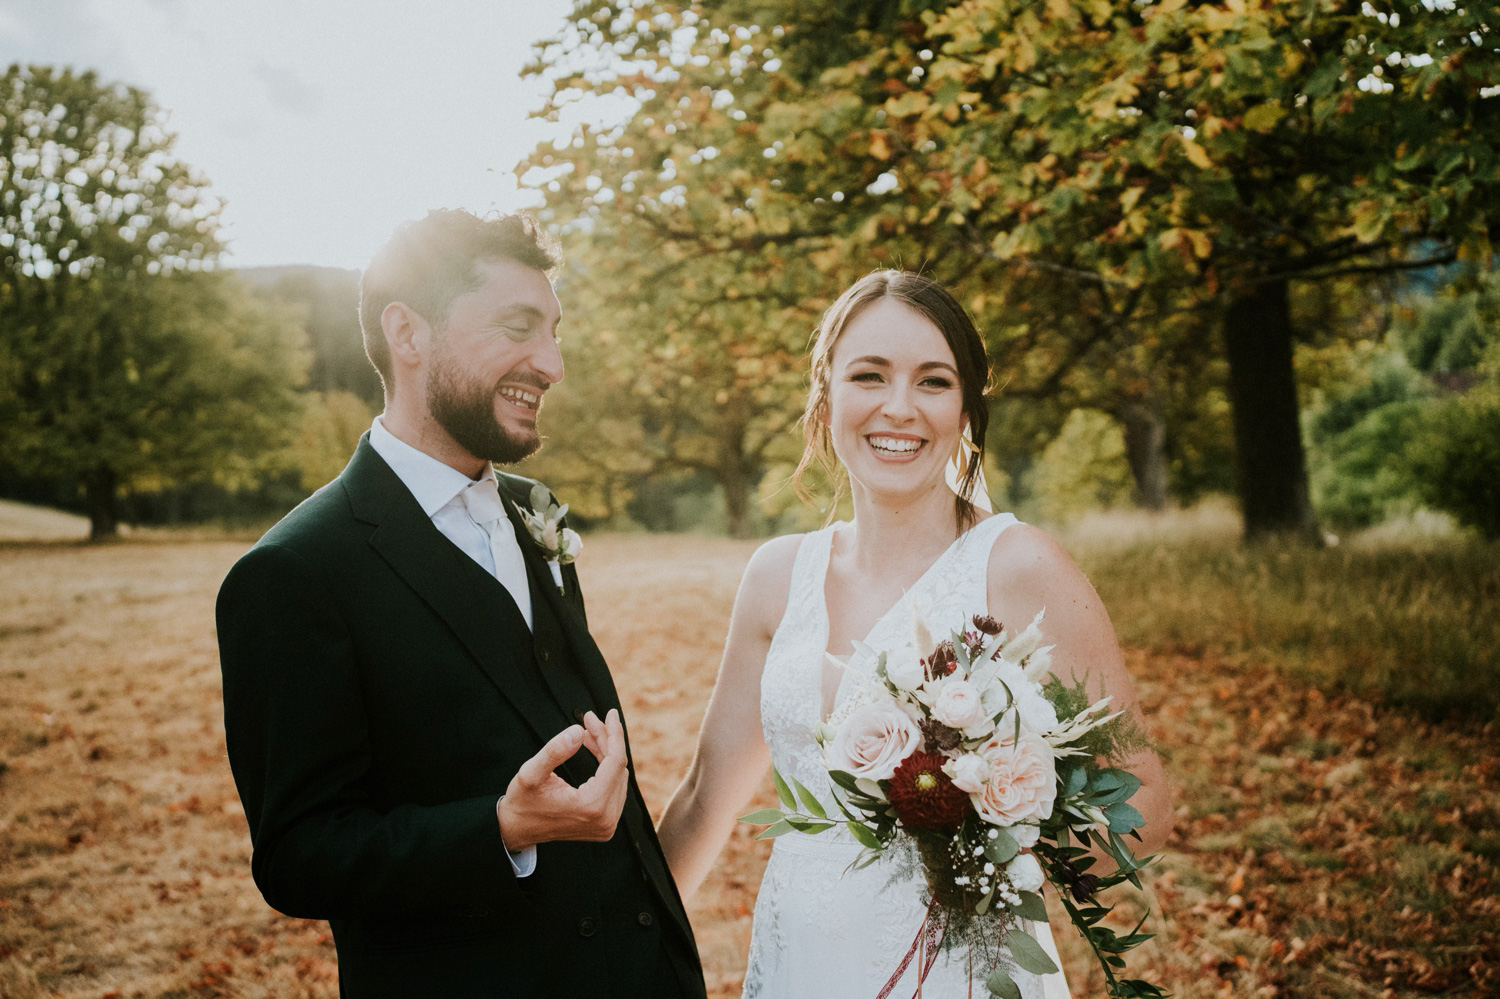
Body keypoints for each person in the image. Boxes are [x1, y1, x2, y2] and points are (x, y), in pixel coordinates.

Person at [216, 210, 706, 999]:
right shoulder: (295, 572)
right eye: (519, 327)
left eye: (555, 331)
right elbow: (298, 856)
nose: (550, 362)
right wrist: (501, 828)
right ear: (408, 334)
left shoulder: (534, 507)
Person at [656, 270, 1174, 998]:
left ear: (965, 407)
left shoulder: (1020, 565)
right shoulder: (777, 575)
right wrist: (612, 947)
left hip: (959, 971)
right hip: (800, 965)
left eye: (934, 381)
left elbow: (1144, 804)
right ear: (825, 392)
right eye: (869, 375)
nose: (899, 408)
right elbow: (707, 795)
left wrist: (991, 815)